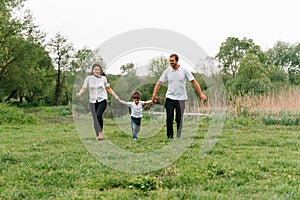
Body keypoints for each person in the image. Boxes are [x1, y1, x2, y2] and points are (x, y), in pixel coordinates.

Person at [152, 54, 207, 139]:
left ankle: (178, 135)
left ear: (177, 61)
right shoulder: (167, 71)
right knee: (169, 118)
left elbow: (194, 82)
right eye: (170, 61)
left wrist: (201, 94)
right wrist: (154, 94)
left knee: (179, 119)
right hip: (170, 98)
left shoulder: (184, 70)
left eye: (172, 61)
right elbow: (159, 82)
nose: (171, 62)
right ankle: (169, 136)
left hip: (181, 99)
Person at [77, 63, 119, 141]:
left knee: (98, 115)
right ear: (93, 70)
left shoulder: (103, 78)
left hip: (102, 100)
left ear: (100, 71)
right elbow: (84, 87)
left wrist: (115, 95)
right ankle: (97, 135)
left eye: (98, 69)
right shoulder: (88, 78)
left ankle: (100, 134)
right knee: (95, 118)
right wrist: (80, 92)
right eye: (95, 69)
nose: (97, 71)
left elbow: (108, 88)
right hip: (92, 101)